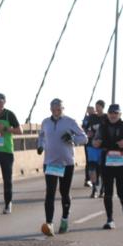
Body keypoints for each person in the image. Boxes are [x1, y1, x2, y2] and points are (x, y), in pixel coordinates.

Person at [37, 98, 87, 236]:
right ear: (50, 110)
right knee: (50, 193)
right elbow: (41, 136)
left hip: (66, 163)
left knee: (64, 193)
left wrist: (72, 139)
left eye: (58, 109)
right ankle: (49, 224)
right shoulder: (45, 122)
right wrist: (40, 146)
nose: (56, 112)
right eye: (53, 110)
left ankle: (64, 219)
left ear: (63, 109)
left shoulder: (70, 121)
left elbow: (84, 138)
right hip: (50, 163)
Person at [92, 104, 123, 229]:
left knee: (121, 191)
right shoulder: (102, 127)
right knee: (108, 192)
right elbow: (94, 141)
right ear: (108, 114)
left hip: (122, 162)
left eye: (115, 113)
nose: (113, 115)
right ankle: (110, 219)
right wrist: (95, 143)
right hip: (107, 162)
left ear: (120, 114)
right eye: (111, 113)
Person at [83, 100, 107, 197]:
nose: (97, 108)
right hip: (91, 146)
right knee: (92, 168)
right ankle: (94, 189)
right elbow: (84, 128)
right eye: (96, 106)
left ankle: (103, 189)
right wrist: (87, 132)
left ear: (102, 107)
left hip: (103, 147)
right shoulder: (91, 117)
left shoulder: (107, 118)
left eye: (98, 107)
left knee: (103, 169)